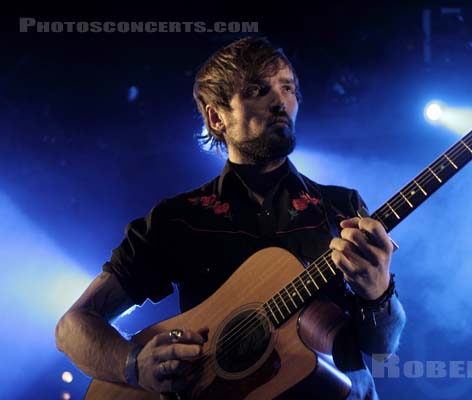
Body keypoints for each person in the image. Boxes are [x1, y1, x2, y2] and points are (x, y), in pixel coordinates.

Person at [55, 36, 406, 399]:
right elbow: (73, 326)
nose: (279, 102)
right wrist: (133, 364)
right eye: (257, 90)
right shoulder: (177, 220)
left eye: (287, 88)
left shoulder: (340, 207)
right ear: (216, 117)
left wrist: (378, 293)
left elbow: (382, 349)